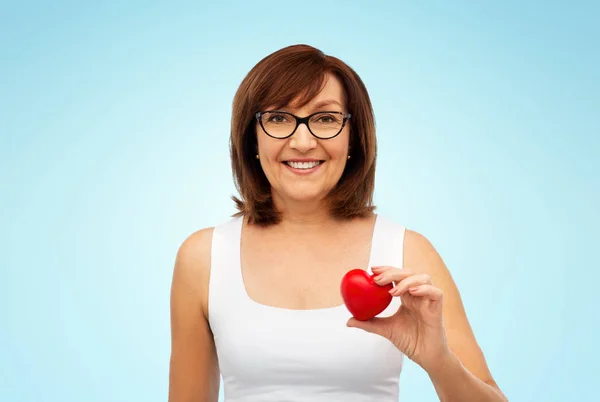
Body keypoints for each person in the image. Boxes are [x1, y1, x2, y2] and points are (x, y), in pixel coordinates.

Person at [168, 44, 508, 402]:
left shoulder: (408, 254)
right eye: (279, 118)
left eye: (326, 118)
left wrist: (439, 360)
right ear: (252, 135)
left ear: (353, 138)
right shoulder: (203, 257)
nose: (302, 141)